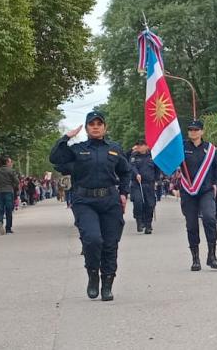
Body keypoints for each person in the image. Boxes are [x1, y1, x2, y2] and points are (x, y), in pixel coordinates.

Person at [49, 110, 132, 301]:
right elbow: (55, 159)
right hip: (85, 201)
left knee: (110, 244)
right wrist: (65, 138)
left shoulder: (114, 149)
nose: (95, 127)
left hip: (110, 201)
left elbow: (126, 172)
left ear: (105, 127)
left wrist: (124, 194)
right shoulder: (77, 149)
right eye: (91, 124)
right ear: (86, 128)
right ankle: (93, 275)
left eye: (99, 124)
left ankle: (107, 284)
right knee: (93, 240)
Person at [179, 119, 217, 272]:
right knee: (191, 224)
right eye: (190, 130)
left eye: (196, 130)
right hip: (188, 192)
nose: (193, 132)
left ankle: (212, 254)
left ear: (202, 131)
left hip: (206, 190)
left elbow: (216, 167)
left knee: (209, 218)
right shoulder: (181, 148)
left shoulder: (210, 149)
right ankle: (195, 258)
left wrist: (215, 183)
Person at [129, 140, 161, 234]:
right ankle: (139, 221)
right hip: (137, 184)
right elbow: (132, 166)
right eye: (138, 145)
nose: (139, 147)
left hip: (149, 184)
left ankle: (148, 225)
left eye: (141, 145)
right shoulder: (134, 156)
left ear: (147, 146)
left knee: (150, 204)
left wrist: (157, 181)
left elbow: (157, 169)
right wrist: (136, 174)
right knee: (138, 202)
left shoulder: (153, 156)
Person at [0, 156, 21, 235]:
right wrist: (13, 186)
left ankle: (0, 221)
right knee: (8, 210)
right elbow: (17, 181)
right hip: (8, 191)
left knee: (0, 209)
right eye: (10, 162)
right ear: (7, 162)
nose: (11, 163)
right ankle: (8, 228)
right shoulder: (11, 171)